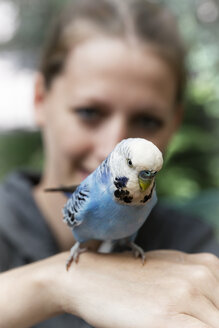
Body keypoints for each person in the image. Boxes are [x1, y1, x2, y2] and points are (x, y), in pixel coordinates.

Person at [0, 0, 219, 327]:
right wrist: (50, 284)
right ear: (40, 99)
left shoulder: (194, 246)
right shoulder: (77, 202)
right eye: (89, 113)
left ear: (174, 125)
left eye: (147, 120)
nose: (109, 145)